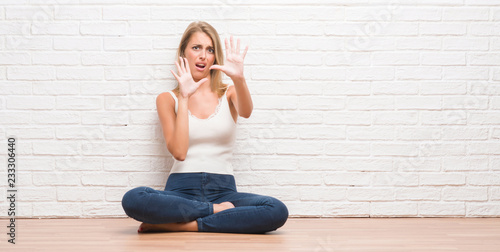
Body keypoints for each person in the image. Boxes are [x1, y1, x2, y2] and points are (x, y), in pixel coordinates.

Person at [121, 21, 288, 234]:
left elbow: (246, 112)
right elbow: (180, 153)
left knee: (276, 210)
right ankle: (216, 212)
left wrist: (239, 79)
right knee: (133, 199)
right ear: (184, 53)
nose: (203, 55)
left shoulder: (229, 92)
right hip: (180, 191)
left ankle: (188, 225)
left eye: (210, 50)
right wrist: (184, 96)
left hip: (224, 191)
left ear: (215, 57)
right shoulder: (167, 99)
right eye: (196, 48)